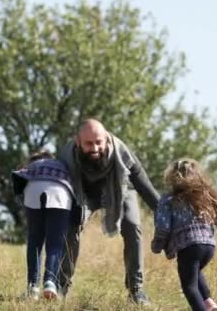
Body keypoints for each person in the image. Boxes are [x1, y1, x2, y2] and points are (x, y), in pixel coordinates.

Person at [57, 118, 160, 305]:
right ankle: (61, 286)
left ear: (106, 139)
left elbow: (143, 184)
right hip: (83, 192)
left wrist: (164, 213)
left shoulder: (121, 152)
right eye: (88, 144)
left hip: (120, 188)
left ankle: (136, 291)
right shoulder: (66, 156)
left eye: (98, 142)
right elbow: (56, 186)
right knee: (70, 227)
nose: (95, 148)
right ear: (77, 142)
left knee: (133, 227)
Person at [151, 158, 217, 311]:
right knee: (194, 272)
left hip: (188, 247)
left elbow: (163, 228)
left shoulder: (168, 200)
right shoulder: (205, 196)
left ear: (172, 177)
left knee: (189, 286)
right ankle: (209, 303)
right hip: (208, 247)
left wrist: (157, 246)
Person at [11, 150, 75, 300]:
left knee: (35, 241)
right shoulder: (60, 165)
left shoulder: (32, 166)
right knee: (55, 243)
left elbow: (19, 182)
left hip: (33, 191)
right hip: (60, 193)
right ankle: (50, 282)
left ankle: (33, 287)